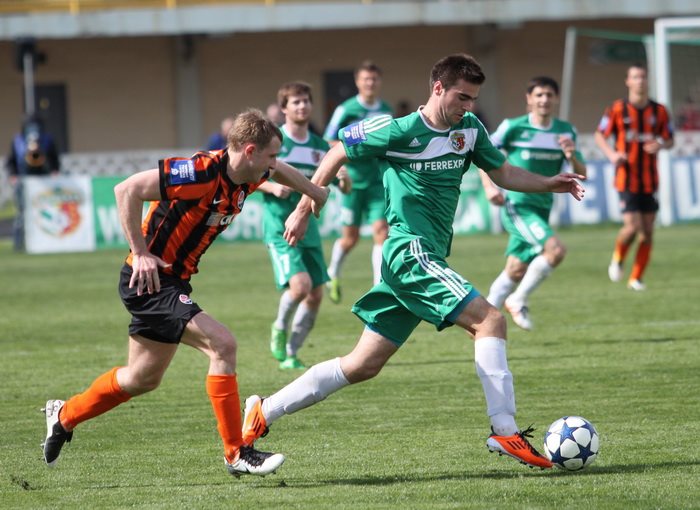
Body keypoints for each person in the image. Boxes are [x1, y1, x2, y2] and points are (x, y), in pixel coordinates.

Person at [241, 54, 586, 470]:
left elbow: (505, 173)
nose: (468, 106)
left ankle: (263, 410)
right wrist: (303, 207)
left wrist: (550, 183)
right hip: (409, 251)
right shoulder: (397, 129)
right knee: (490, 320)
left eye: (473, 99)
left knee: (362, 364)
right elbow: (337, 151)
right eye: (462, 97)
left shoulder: (469, 130)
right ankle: (504, 429)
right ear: (438, 88)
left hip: (424, 257)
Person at [41, 109, 329, 477]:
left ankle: (64, 415)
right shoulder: (200, 172)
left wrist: (314, 191)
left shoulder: (251, 172)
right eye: (271, 155)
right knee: (222, 345)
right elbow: (126, 189)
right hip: (150, 281)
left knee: (141, 378)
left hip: (173, 282)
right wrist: (140, 252)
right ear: (250, 151)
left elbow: (280, 170)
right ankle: (236, 452)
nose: (274, 164)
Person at [479, 76, 587, 331]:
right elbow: (482, 154)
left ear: (556, 98)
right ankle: (518, 300)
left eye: (549, 95)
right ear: (529, 99)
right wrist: (489, 187)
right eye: (539, 95)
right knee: (555, 250)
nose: (544, 100)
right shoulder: (513, 127)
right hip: (518, 206)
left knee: (516, 269)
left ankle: (480, 323)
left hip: (543, 207)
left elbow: (582, 171)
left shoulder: (565, 131)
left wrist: (571, 155)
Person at [259, 82, 351, 369]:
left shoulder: (320, 146)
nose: (302, 106)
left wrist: (344, 179)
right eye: (295, 102)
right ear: (284, 108)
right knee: (300, 286)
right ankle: (279, 327)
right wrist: (272, 188)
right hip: (279, 226)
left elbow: (342, 187)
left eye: (306, 101)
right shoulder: (273, 141)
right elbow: (247, 175)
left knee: (315, 294)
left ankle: (291, 352)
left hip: (309, 228)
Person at [594, 63, 674, 291]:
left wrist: (660, 144)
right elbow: (600, 135)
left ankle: (636, 278)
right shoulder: (617, 109)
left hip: (650, 180)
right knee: (632, 227)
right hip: (626, 179)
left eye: (643, 77)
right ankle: (618, 258)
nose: (640, 81)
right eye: (635, 77)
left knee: (647, 233)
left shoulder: (660, 111)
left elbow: (670, 139)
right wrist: (612, 154)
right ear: (628, 82)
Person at [323, 60, 393, 303]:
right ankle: (333, 272)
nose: (370, 83)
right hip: (352, 184)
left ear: (379, 81)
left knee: (381, 232)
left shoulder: (386, 110)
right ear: (357, 82)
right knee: (350, 238)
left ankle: (378, 286)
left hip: (377, 182)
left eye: (374, 79)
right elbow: (329, 140)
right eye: (366, 79)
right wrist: (357, 149)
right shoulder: (346, 110)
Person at [6, 113, 60, 251]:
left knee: (46, 210)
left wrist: (54, 170)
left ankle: (46, 241)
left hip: (43, 181)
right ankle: (19, 244)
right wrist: (13, 175)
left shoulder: (47, 139)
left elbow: (54, 159)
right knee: (21, 212)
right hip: (24, 181)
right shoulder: (18, 140)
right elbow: (11, 161)